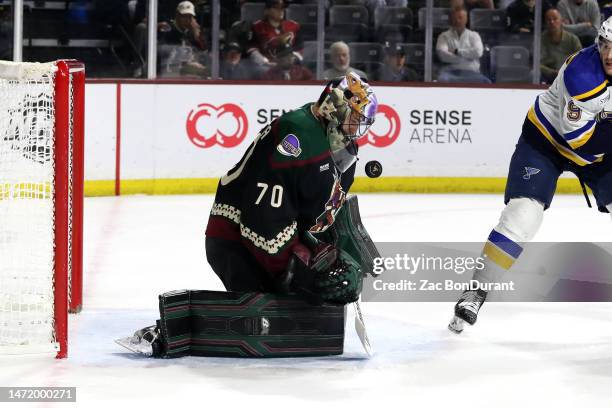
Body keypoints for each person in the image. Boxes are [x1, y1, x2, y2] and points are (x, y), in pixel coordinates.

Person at [449, 17, 612, 334]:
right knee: (523, 216)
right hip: (547, 141)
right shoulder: (583, 75)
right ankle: (475, 292)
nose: (610, 55)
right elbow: (580, 140)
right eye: (607, 46)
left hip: (598, 148)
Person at [205, 72, 377, 297]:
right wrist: (302, 276)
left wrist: (335, 247)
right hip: (238, 241)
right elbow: (261, 219)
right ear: (335, 106)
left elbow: (321, 200)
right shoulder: (296, 135)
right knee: (270, 325)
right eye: (354, 119)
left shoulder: (337, 140)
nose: (357, 130)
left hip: (277, 239)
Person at [435, 7, 490, 83]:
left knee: (486, 82)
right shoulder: (443, 36)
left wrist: (457, 52)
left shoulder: (474, 35)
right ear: (451, 20)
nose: (457, 20)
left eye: (460, 17)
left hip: (472, 73)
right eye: (454, 18)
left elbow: (478, 52)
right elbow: (443, 55)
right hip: (450, 72)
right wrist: (467, 58)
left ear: (466, 19)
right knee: (442, 79)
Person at [248, 0, 303, 75]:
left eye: (282, 8)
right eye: (276, 8)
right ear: (267, 11)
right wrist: (265, 62)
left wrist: (290, 61)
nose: (281, 11)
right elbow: (252, 48)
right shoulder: (257, 27)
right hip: (266, 68)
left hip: (289, 66)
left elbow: (300, 48)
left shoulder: (294, 26)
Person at [155, 1, 208, 77]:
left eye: (190, 17)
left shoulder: (190, 32)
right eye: (184, 16)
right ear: (177, 15)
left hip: (186, 72)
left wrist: (197, 35)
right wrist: (187, 64)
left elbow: (203, 51)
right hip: (168, 72)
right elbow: (166, 54)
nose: (187, 20)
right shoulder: (168, 30)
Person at [541, 8, 582, 84]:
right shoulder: (540, 39)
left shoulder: (573, 39)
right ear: (545, 22)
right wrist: (553, 72)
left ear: (561, 21)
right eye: (548, 20)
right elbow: (537, 64)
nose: (552, 22)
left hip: (569, 74)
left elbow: (580, 60)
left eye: (555, 19)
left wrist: (567, 71)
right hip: (547, 76)